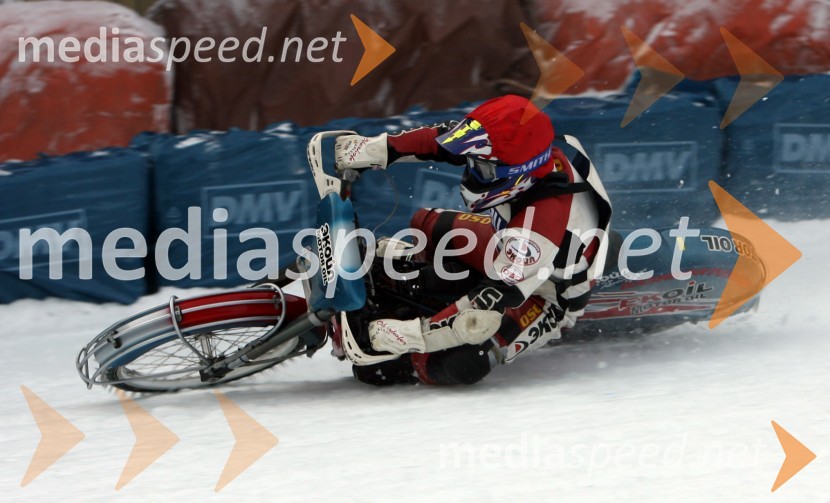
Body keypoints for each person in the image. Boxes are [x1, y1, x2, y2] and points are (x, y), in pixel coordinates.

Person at [333, 95, 612, 386]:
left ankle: (418, 335)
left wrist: (409, 338)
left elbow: (481, 312)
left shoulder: (537, 229)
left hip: (545, 293)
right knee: (425, 223)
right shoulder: (523, 156)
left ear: (517, 174)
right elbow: (441, 141)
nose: (471, 172)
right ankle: (418, 291)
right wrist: (376, 149)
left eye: (483, 169)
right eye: (472, 163)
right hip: (506, 245)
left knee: (456, 364)